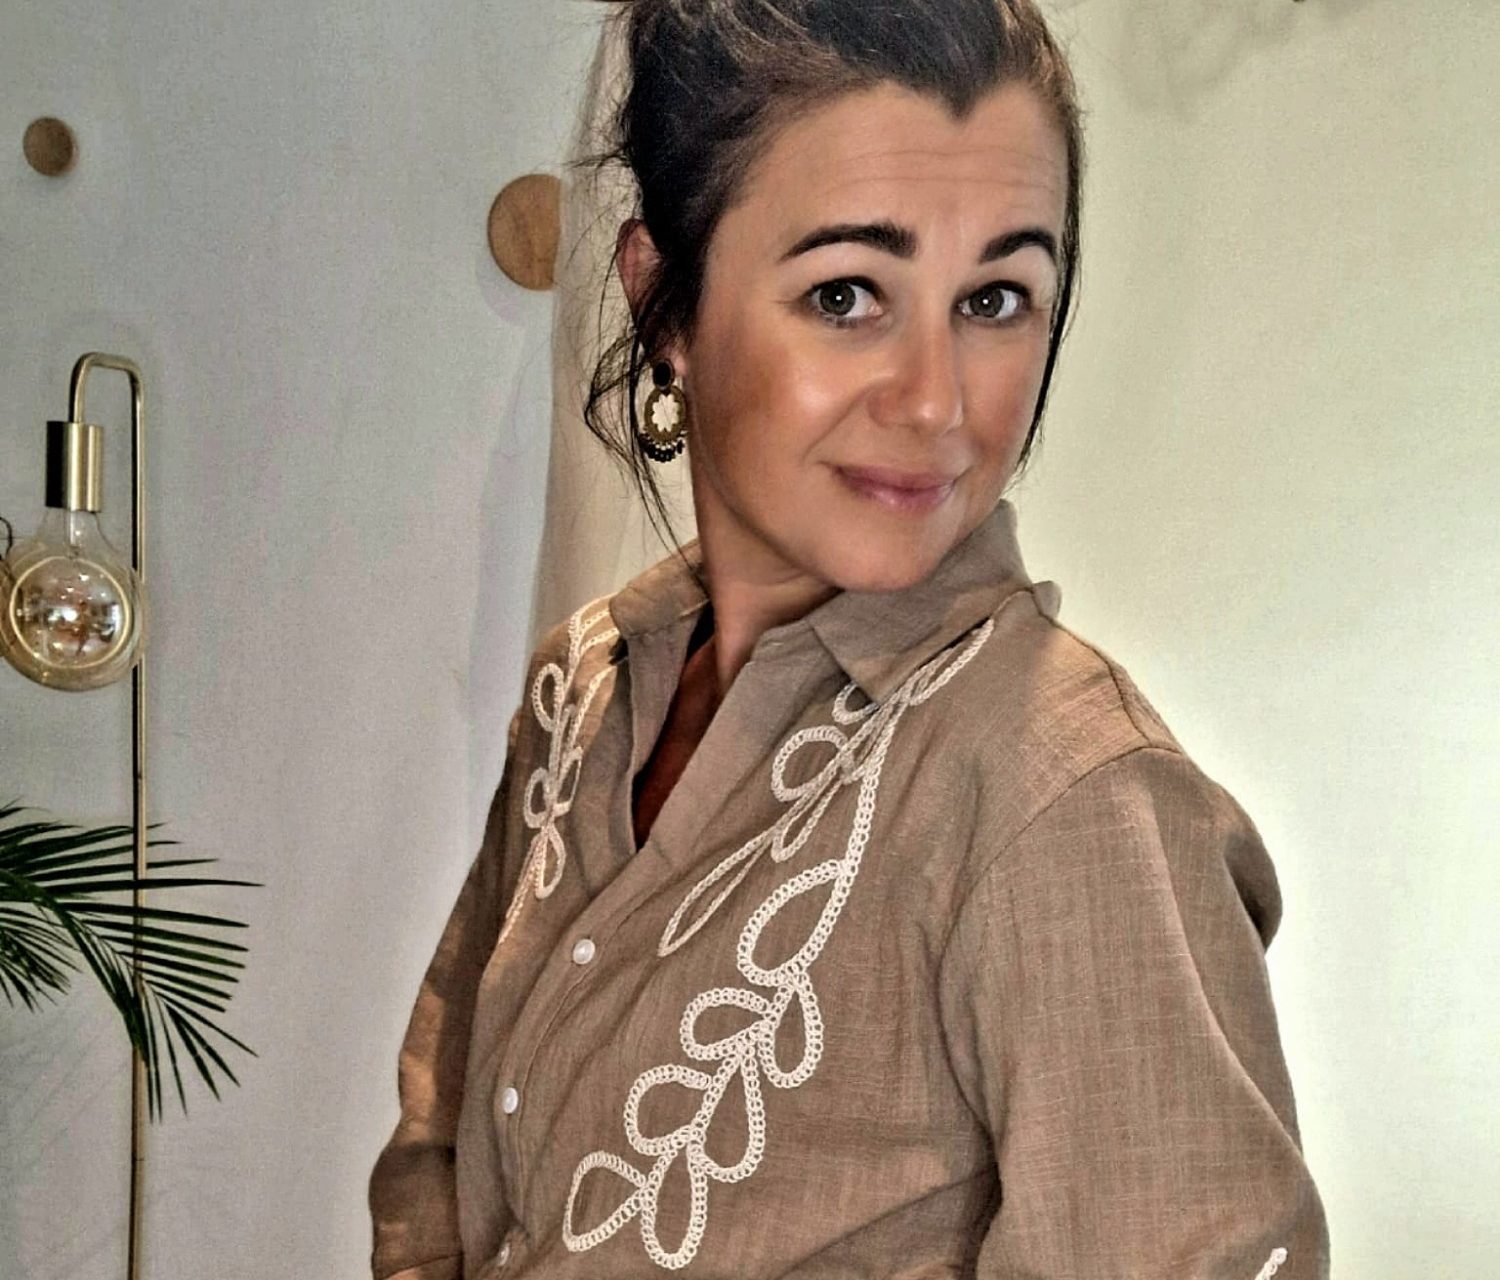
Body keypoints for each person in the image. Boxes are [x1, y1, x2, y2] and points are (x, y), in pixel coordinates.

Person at [368, 1, 1331, 1276]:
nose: (936, 400)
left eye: (996, 297)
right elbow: (438, 1155)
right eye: (846, 293)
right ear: (664, 304)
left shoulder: (1069, 800)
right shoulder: (583, 687)